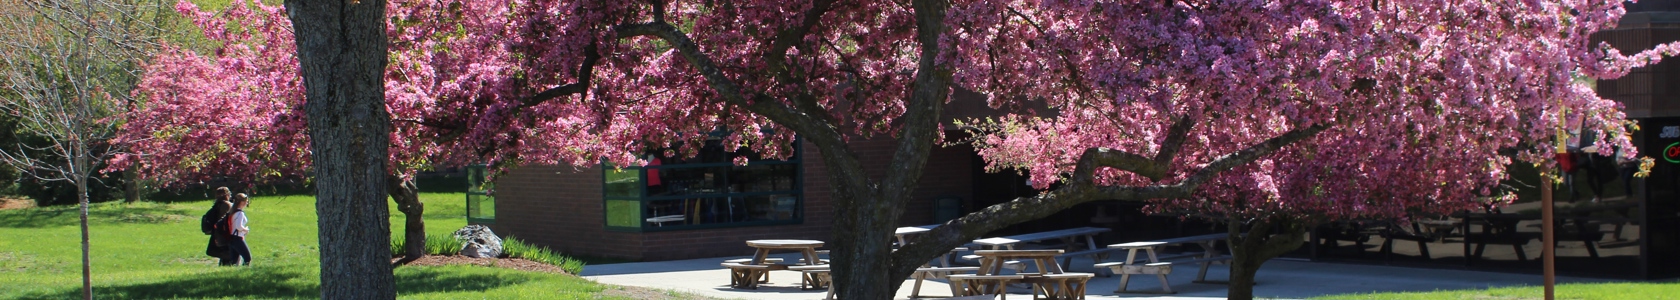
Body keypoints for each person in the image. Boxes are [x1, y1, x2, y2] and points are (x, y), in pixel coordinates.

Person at [202, 187, 233, 264]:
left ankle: (224, 268)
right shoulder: (227, 205)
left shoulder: (217, 205)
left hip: (217, 233)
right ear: (227, 195)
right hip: (225, 233)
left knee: (223, 254)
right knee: (229, 254)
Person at [223, 193, 252, 266]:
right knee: (247, 258)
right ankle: (245, 273)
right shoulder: (240, 213)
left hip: (232, 238)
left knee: (234, 261)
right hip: (237, 238)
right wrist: (245, 229)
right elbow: (238, 226)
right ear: (242, 202)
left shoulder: (233, 212)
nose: (246, 203)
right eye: (246, 201)